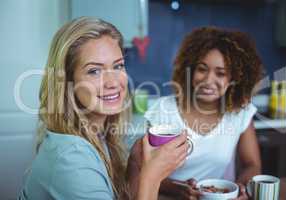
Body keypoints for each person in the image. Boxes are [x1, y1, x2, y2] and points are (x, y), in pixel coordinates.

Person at [19, 17, 189, 200]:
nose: (113, 82)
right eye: (94, 71)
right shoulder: (71, 157)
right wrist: (152, 177)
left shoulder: (97, 135)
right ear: (67, 81)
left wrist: (135, 167)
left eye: (118, 66)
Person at [137, 27, 263, 200]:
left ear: (234, 78)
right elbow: (143, 170)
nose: (208, 80)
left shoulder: (240, 112)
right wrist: (177, 189)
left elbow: (252, 164)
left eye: (221, 73)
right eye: (202, 69)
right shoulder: (163, 111)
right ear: (189, 70)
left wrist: (241, 188)